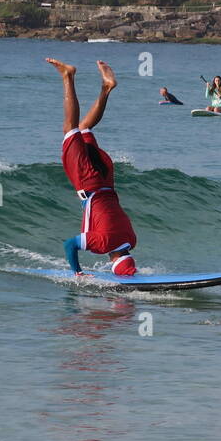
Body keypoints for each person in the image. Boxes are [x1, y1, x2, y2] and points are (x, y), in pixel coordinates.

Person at [46, 57, 138, 277]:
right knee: (70, 128)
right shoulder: (103, 243)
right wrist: (77, 272)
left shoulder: (130, 239)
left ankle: (106, 88)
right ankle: (68, 76)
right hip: (89, 182)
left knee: (84, 127)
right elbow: (69, 245)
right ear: (112, 259)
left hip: (106, 177)